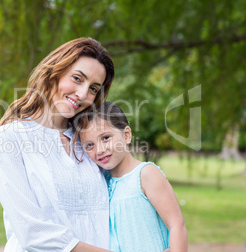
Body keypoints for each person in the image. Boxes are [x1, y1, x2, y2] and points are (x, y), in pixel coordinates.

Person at [0, 38, 115, 252]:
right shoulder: (8, 138)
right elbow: (32, 232)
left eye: (93, 88)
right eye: (76, 78)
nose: (82, 94)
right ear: (54, 72)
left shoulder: (89, 141)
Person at [77, 101, 188, 252]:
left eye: (105, 138)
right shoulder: (102, 183)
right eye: (90, 145)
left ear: (126, 135)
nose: (100, 150)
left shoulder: (145, 174)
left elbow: (176, 225)